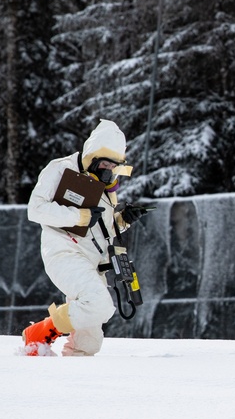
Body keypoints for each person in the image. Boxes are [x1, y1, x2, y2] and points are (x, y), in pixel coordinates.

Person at [22, 119, 149, 356]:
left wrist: (122, 221)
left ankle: (75, 385)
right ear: (91, 155)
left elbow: (102, 230)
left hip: (92, 262)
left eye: (114, 166)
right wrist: (78, 216)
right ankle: (39, 332)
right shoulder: (60, 169)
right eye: (104, 163)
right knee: (100, 305)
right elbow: (35, 209)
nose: (108, 170)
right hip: (63, 252)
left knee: (88, 344)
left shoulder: (105, 186)